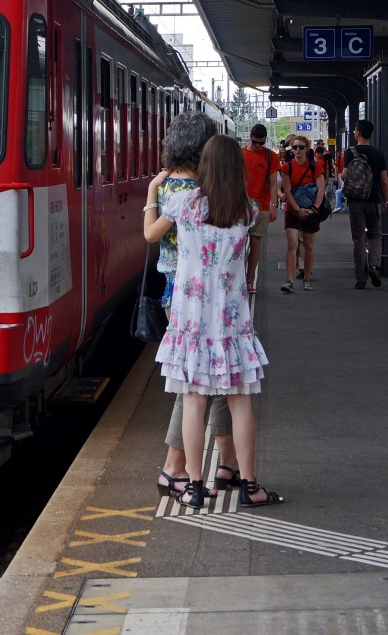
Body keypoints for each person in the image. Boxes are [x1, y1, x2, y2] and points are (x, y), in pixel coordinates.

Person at [144, 135, 284, 509]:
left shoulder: (182, 203)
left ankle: (191, 486)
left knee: (193, 401)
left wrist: (152, 192)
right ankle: (250, 485)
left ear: (204, 166)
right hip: (232, 321)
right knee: (240, 402)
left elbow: (149, 234)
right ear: (236, 168)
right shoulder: (248, 210)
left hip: (192, 321)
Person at [145, 112, 238, 498]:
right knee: (200, 385)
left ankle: (225, 462)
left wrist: (151, 192)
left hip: (178, 293)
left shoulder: (168, 188)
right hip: (193, 296)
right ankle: (176, 466)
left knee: (205, 383)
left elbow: (151, 235)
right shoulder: (197, 193)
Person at [342, 119, 388, 289]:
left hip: (356, 201)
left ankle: (360, 279)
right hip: (374, 200)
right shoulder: (378, 153)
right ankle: (374, 266)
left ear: (357, 133)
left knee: (359, 239)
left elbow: (345, 175)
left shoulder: (350, 152)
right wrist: (384, 200)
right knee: (376, 235)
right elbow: (384, 180)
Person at [279, 135, 325, 293]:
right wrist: (298, 209)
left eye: (301, 147)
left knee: (309, 245)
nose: (297, 150)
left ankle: (306, 278)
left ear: (307, 149)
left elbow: (321, 189)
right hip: (292, 210)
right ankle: (289, 280)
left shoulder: (315, 167)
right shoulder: (286, 168)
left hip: (311, 210)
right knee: (292, 245)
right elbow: (288, 191)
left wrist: (314, 208)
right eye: (295, 147)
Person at [241, 124, 279, 294]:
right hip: (241, 205)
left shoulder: (271, 157)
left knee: (256, 243)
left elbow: (273, 182)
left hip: (262, 204)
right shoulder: (240, 155)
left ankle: (249, 280)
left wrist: (273, 206)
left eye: (261, 143)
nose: (258, 146)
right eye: (256, 143)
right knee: (238, 244)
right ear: (250, 137)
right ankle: (239, 278)